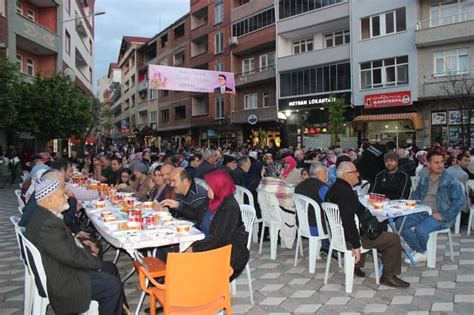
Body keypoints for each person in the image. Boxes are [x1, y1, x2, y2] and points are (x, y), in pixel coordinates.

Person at [25, 177, 126, 314]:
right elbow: (70, 257)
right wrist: (93, 256)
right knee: (111, 285)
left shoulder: (43, 214)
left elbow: (65, 248)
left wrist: (87, 250)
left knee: (110, 268)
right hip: (63, 279)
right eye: (63, 194)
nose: (67, 197)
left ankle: (120, 310)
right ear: (50, 200)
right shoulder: (48, 223)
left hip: (60, 267)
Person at [326, 162, 410, 288]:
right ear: (346, 175)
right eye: (355, 172)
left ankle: (356, 265)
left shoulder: (336, 188)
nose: (358, 174)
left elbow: (357, 212)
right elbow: (348, 221)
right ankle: (388, 276)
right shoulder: (344, 193)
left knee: (368, 228)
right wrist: (356, 245)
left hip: (338, 234)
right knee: (393, 238)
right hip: (348, 239)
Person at [396, 150, 465, 263]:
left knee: (420, 229)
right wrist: (408, 207)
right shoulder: (424, 176)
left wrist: (444, 215)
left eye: (442, 162)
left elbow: (460, 201)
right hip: (422, 211)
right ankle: (420, 251)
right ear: (428, 164)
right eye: (436, 162)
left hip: (440, 214)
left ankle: (421, 252)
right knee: (400, 223)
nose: (440, 165)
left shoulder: (450, 179)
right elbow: (417, 195)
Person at [179, 170, 249, 280]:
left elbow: (220, 240)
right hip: (208, 243)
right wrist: (178, 206)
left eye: (210, 186)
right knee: (175, 251)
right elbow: (198, 214)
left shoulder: (229, 207)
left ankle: (200, 292)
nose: (207, 188)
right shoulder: (212, 199)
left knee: (183, 262)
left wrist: (194, 249)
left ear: (219, 187)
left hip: (228, 252)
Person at [295, 162, 330, 249]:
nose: (327, 175)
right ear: (318, 173)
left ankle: (325, 247)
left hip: (302, 224)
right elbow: (331, 206)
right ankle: (330, 249)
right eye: (325, 172)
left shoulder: (298, 186)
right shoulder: (322, 188)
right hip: (317, 226)